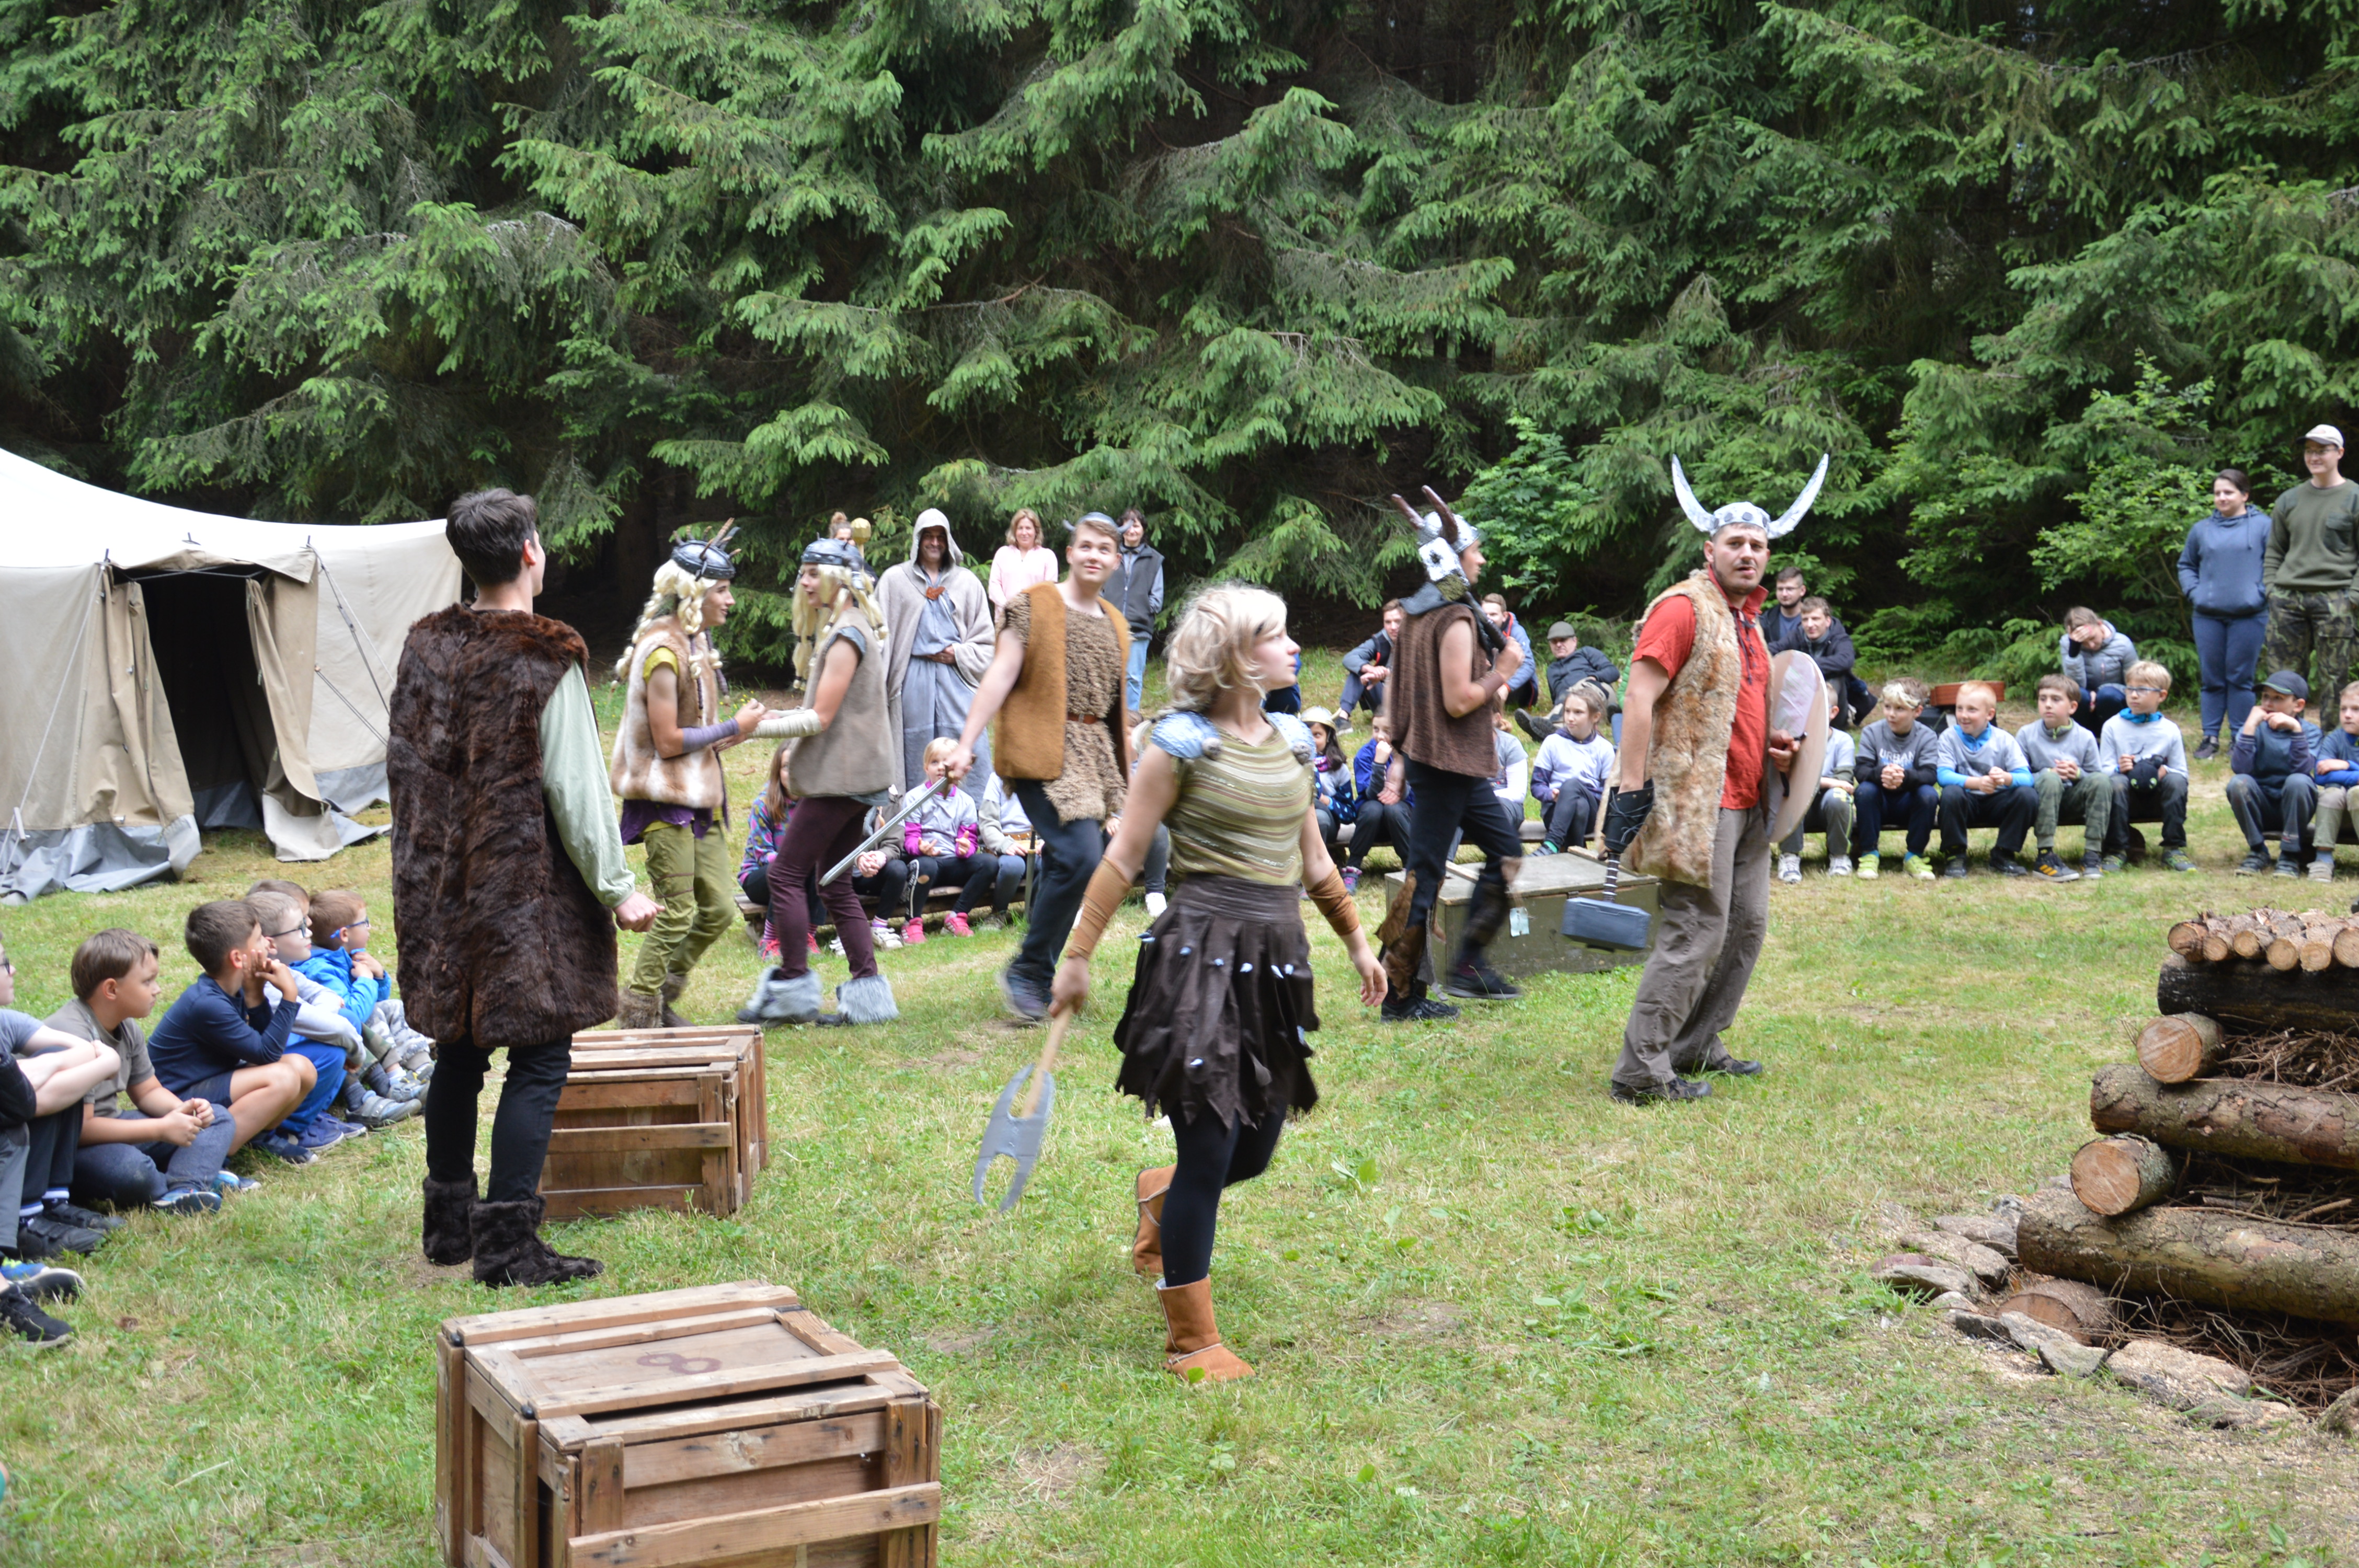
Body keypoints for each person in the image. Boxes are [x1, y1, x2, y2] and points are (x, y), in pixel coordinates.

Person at [1048, 585, 1385, 1384]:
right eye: (1276, 635)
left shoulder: (1294, 743)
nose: (1294, 646)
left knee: (1254, 1150)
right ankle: (1191, 1343)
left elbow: (1314, 863)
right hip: (1198, 962)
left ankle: (1159, 1198)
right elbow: (1124, 856)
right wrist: (1077, 955)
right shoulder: (1179, 745)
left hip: (1274, 962)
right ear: (1235, 655)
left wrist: (1358, 945)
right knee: (1209, 1147)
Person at [389, 487, 661, 1286]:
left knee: (458, 1053)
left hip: (441, 891)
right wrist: (618, 889)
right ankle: (507, 1247)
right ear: (531, 553)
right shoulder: (544, 658)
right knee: (539, 1057)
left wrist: (425, 877)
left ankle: (448, 1228)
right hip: (520, 897)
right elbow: (576, 790)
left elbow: (405, 775)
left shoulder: (426, 648)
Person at [1606, 453, 1823, 1103]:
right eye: (1735, 543)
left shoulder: (1748, 619)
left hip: (1752, 796)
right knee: (1697, 930)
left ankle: (1697, 1043)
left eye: (1757, 544)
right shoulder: (1683, 608)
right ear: (1711, 550)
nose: (1748, 553)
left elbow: (1739, 702)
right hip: (1695, 802)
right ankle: (1641, 1070)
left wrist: (1773, 745)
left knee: (1746, 927)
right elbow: (1638, 697)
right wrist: (1632, 787)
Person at [945, 514, 1131, 1022]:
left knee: (1068, 860)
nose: (1094, 555)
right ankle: (1028, 971)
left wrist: (1128, 773)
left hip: (1093, 758)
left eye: (1105, 550)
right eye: (1086, 546)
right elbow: (1001, 673)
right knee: (1080, 857)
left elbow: (1117, 709)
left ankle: (1042, 973)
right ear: (1069, 553)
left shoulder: (1116, 624)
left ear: (1116, 562)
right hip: (1040, 748)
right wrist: (966, 743)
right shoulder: (1032, 605)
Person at [737, 528, 906, 1028]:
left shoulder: (847, 634)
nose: (805, 583)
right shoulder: (849, 627)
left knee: (786, 875)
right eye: (803, 574)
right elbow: (824, 712)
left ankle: (792, 990)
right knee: (833, 885)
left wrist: (751, 730)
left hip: (840, 780)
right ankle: (868, 999)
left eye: (814, 574)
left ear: (839, 578)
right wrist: (772, 719)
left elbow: (820, 718)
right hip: (853, 778)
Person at [1375, 497, 1529, 1021]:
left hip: (1456, 763)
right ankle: (1399, 997)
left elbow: (1401, 692)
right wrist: (1504, 669)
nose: (1481, 559)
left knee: (1506, 853)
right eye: (1476, 550)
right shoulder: (1455, 618)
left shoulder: (1419, 613)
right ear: (1455, 557)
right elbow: (1460, 700)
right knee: (1424, 875)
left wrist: (1401, 751)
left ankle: (1468, 967)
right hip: (1445, 765)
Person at [608, 528, 766, 1030]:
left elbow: (694, 734)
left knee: (719, 909)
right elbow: (668, 742)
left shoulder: (695, 643)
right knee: (677, 913)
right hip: (663, 800)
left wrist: (731, 735)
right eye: (723, 589)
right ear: (696, 594)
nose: (730, 599)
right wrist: (732, 727)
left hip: (700, 799)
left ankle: (660, 994)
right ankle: (639, 1015)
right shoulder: (663, 653)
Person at [50, 929, 237, 1216]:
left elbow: (148, 1091)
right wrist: (160, 1129)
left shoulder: (126, 1026)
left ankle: (187, 1187)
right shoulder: (74, 1036)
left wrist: (184, 1111)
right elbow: (82, 1129)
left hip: (113, 1127)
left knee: (218, 1117)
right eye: (147, 981)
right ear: (111, 990)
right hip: (69, 1149)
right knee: (134, 1171)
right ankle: (197, 1176)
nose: (157, 989)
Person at [145, 901, 317, 1165]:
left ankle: (258, 1136)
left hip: (210, 1082)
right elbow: (267, 1055)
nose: (267, 943)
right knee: (283, 1077)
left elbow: (266, 1049)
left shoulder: (232, 988)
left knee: (302, 1069)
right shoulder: (207, 1003)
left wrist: (255, 996)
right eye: (259, 939)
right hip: (178, 1100)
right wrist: (289, 996)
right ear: (238, 958)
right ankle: (207, 1156)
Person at [0, 935, 125, 1263]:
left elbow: (82, 1050)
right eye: (3, 964)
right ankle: (24, 1222)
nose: (13, 970)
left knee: (58, 1060)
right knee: (18, 1119)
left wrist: (45, 1066)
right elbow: (27, 1103)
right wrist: (102, 1064)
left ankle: (51, 1203)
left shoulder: (5, 1023)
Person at [243, 889, 379, 1148]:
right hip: (247, 1079)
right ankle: (290, 1126)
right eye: (301, 928)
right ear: (270, 944)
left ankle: (312, 1114)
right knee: (334, 1048)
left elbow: (324, 995)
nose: (310, 932)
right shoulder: (264, 985)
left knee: (342, 1023)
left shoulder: (279, 968)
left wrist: (325, 1020)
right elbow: (336, 1028)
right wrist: (358, 1054)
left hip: (267, 1063)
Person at [880, 509, 995, 798]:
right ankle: (913, 817)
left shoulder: (967, 582)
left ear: (948, 541)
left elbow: (987, 644)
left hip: (957, 682)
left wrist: (959, 653)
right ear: (917, 540)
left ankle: (972, 814)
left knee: (966, 743)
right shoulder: (895, 580)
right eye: (928, 536)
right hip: (912, 682)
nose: (934, 543)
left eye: (940, 537)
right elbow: (878, 636)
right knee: (916, 749)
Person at [2179, 468, 2272, 759]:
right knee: (2212, 679)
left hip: (2250, 615)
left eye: (2229, 492)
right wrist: (2195, 593)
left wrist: (2259, 594)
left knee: (2240, 677)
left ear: (2245, 495)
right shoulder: (2201, 530)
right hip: (2207, 616)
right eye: (2218, 493)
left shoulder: (2264, 526)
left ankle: (2240, 738)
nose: (2222, 497)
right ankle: (2210, 738)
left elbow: (2276, 564)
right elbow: (2186, 565)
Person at [2263, 426, 2359, 704]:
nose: (2314, 457)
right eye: (2309, 451)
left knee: (2335, 678)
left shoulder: (2355, 497)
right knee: (2282, 680)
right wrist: (2271, 589)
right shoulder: (2289, 499)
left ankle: (2334, 733)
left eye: (2322, 450)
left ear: (2339, 453)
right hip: (2287, 599)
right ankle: (2286, 732)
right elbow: (2275, 550)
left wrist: (2353, 598)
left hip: (2336, 598)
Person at [900, 738, 1018, 939]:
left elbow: (970, 840)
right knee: (925, 865)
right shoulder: (914, 797)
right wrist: (920, 848)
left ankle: (957, 917)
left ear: (959, 769)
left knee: (989, 863)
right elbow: (910, 838)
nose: (941, 768)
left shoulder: (966, 802)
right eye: (935, 762)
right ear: (926, 767)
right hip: (926, 864)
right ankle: (912, 922)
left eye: (947, 763)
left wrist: (966, 849)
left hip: (953, 862)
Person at [2096, 662, 2193, 875]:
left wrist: (2165, 771)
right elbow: (2102, 772)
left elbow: (2182, 773)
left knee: (2176, 782)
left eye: (2142, 690)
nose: (2134, 695)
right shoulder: (2113, 726)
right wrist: (2119, 768)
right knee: (2116, 783)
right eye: (2130, 689)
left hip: (2157, 794)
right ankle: (2117, 849)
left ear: (2162, 696)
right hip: (2125, 796)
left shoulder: (2169, 730)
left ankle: (2173, 848)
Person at [2016, 675, 2114, 881]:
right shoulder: (2026, 734)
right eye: (2043, 699)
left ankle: (2093, 854)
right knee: (2051, 780)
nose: (2048, 705)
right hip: (2041, 799)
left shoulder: (2085, 736)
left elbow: (2096, 775)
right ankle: (2045, 854)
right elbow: (2018, 776)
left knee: (2102, 781)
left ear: (2073, 707)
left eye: (2056, 699)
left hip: (2073, 799)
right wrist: (2047, 774)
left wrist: (2078, 774)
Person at [1933, 682, 2036, 878]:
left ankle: (2004, 853)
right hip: (1966, 803)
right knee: (1951, 793)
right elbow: (1944, 776)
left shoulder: (2004, 739)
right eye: (1959, 708)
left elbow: (2027, 778)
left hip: (1997, 803)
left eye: (1972, 710)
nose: (1963, 715)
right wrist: (1978, 783)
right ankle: (1955, 854)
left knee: (2027, 795)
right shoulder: (1948, 737)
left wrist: (2005, 778)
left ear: (1990, 714)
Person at [2228, 669, 2322, 878]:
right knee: (2238, 783)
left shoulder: (2311, 732)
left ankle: (2290, 854)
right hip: (2261, 806)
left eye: (2278, 698)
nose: (2269, 704)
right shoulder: (2255, 728)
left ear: (2298, 705)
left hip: (2295, 808)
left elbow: (2302, 769)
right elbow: (2241, 768)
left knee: (2299, 781)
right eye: (2265, 697)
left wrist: (2296, 730)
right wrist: (2250, 726)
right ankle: (2257, 850)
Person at [1850, 679, 1940, 880]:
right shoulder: (1872, 732)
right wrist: (1881, 774)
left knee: (1929, 794)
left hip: (1909, 804)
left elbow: (1930, 774)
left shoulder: (1927, 736)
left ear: (1917, 711)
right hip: (1879, 803)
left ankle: (1914, 855)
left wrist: (1905, 777)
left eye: (1900, 709)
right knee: (1865, 790)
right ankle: (1869, 853)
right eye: (1888, 707)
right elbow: (1861, 770)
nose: (1891, 714)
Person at [1777, 684, 1855, 881]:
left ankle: (1839, 856)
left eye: (1818, 709)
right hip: (1801, 806)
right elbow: (1791, 780)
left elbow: (1844, 782)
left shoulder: (1843, 741)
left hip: (1828, 806)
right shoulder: (1794, 740)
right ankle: (1789, 856)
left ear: (1833, 712)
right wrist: (1828, 781)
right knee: (1792, 793)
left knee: (1839, 796)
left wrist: (1822, 783)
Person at [1531, 685, 1614, 854]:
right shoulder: (1553, 742)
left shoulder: (1604, 748)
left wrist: (1578, 792)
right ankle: (1576, 853)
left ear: (1595, 717)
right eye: (1567, 711)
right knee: (1579, 805)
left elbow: (1609, 794)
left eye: (1578, 713)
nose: (1570, 718)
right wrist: (1551, 795)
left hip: (1592, 814)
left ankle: (1551, 844)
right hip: (1555, 813)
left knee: (1573, 787)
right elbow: (1537, 784)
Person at [1774, 597, 1871, 726]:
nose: (1810, 625)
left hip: (1834, 701)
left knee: (1836, 677)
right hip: (1802, 696)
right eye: (1805, 620)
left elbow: (1846, 660)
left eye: (1815, 619)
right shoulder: (1796, 635)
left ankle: (1828, 724)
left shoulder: (1840, 637)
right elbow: (1774, 649)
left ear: (1827, 621)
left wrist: (1807, 666)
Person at [1518, 621, 1620, 742]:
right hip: (1576, 704)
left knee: (1576, 693)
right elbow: (1557, 700)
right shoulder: (1551, 670)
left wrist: (1594, 677)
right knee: (1569, 702)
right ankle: (1553, 730)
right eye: (1554, 642)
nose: (1559, 645)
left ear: (1575, 641)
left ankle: (1545, 722)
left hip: (1599, 692)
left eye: (1563, 640)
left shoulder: (1587, 653)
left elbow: (1613, 672)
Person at [1343, 714, 1408, 892]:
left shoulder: (1408, 754)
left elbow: (1406, 795)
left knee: (1393, 809)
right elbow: (1371, 794)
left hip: (1401, 821)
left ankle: (1410, 866)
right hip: (1371, 825)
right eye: (1376, 729)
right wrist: (1379, 763)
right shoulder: (1365, 755)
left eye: (1387, 731)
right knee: (1373, 808)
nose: (1380, 736)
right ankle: (1352, 867)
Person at [1113, 510, 1165, 714]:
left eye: (1136, 525)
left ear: (1143, 529)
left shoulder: (1154, 559)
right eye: (1127, 525)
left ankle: (1131, 719)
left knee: (1133, 677)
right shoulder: (1111, 555)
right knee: (1110, 675)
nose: (1131, 530)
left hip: (1139, 628)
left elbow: (1157, 598)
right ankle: (1111, 719)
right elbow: (1100, 588)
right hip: (1110, 626)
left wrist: (1141, 610)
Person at [2058, 607, 2137, 734]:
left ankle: (2115, 737)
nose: (2091, 645)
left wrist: (2098, 692)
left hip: (2113, 702)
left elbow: (2135, 685)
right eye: (2084, 643)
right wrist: (2074, 652)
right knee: (2079, 695)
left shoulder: (2123, 644)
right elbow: (2074, 686)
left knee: (2107, 696)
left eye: (2092, 638)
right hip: (2085, 707)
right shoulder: (2068, 643)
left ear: (2099, 624)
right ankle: (2078, 738)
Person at [2310, 682, 2359, 879]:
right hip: (2338, 817)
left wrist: (2347, 765)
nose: (2347, 715)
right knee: (2331, 794)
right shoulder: (2334, 739)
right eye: (2343, 709)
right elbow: (2321, 774)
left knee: (2357, 793)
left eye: (2356, 709)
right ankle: (2323, 860)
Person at [1303, 707, 1356, 862]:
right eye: (1306, 735)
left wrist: (1327, 801)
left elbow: (1350, 814)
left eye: (1317, 735)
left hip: (1326, 822)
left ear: (1328, 737)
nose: (1311, 740)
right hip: (1298, 818)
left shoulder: (1339, 769)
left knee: (1319, 818)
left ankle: (1317, 865)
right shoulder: (1292, 763)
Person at [988, 508, 1059, 613]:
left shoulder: (1048, 556)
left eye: (1028, 528)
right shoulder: (1002, 554)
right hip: (1006, 618)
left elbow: (1049, 591)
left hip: (1035, 618)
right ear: (1015, 531)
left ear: (1036, 531)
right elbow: (994, 586)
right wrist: (1008, 608)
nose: (1024, 533)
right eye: (1020, 528)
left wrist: (1029, 613)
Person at [1339, 602, 1403, 718]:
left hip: (1410, 703)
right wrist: (1371, 669)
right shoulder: (1381, 639)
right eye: (1388, 622)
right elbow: (1350, 658)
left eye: (1398, 621)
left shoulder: (1419, 641)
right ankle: (1343, 717)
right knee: (1360, 670)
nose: (1393, 627)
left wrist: (1385, 674)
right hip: (1385, 700)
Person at [1764, 566, 1807, 648]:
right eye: (1780, 589)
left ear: (1802, 591)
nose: (1784, 594)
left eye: (1790, 589)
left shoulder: (1815, 620)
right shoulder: (1767, 620)